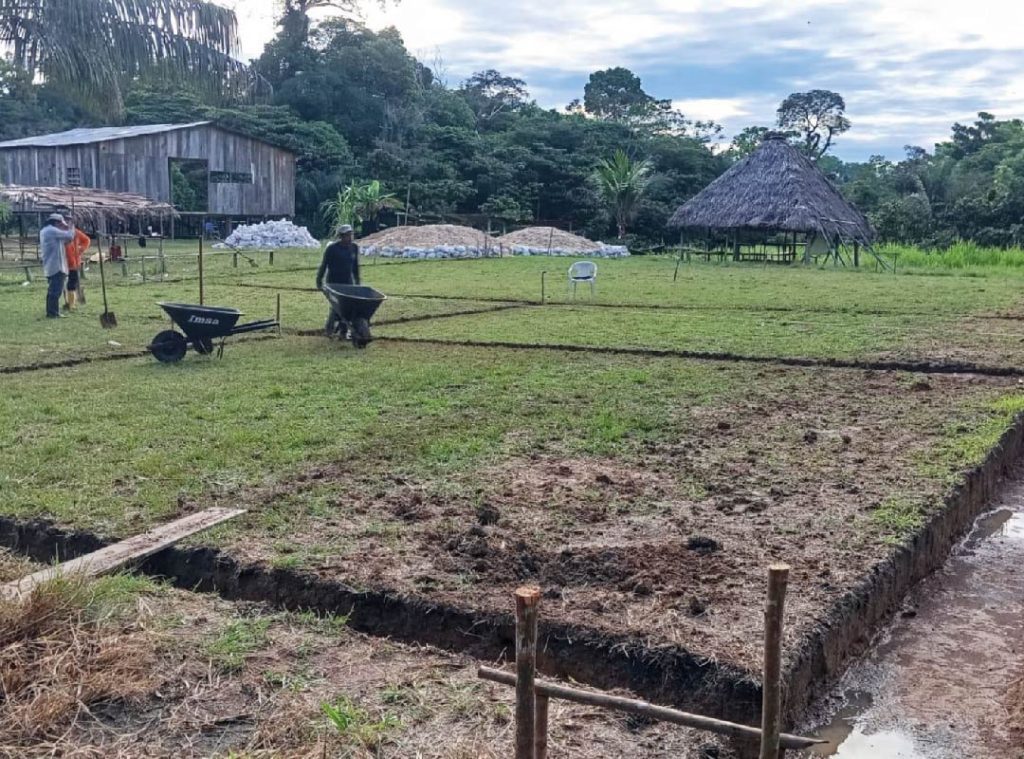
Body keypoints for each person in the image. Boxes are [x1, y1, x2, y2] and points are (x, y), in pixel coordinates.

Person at [315, 224, 361, 335]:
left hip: (347, 282)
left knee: (347, 307)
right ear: (341, 236)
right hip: (334, 282)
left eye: (351, 235)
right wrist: (319, 280)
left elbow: (355, 267)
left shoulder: (354, 248)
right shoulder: (332, 249)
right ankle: (329, 329)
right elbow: (324, 265)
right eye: (347, 236)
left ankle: (343, 331)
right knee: (337, 307)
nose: (350, 238)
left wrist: (357, 283)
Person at [39, 213, 76, 319]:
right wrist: (71, 226)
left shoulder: (47, 231)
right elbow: (70, 236)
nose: (62, 226)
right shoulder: (51, 231)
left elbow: (67, 240)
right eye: (61, 224)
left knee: (53, 290)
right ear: (56, 223)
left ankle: (52, 311)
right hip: (56, 266)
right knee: (55, 291)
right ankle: (52, 313)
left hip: (52, 265)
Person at [63, 226, 90, 311]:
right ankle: (68, 302)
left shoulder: (76, 232)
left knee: (72, 282)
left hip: (74, 262)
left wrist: (80, 249)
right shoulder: (60, 233)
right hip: (62, 262)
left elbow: (86, 240)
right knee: (63, 283)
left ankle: (72, 304)